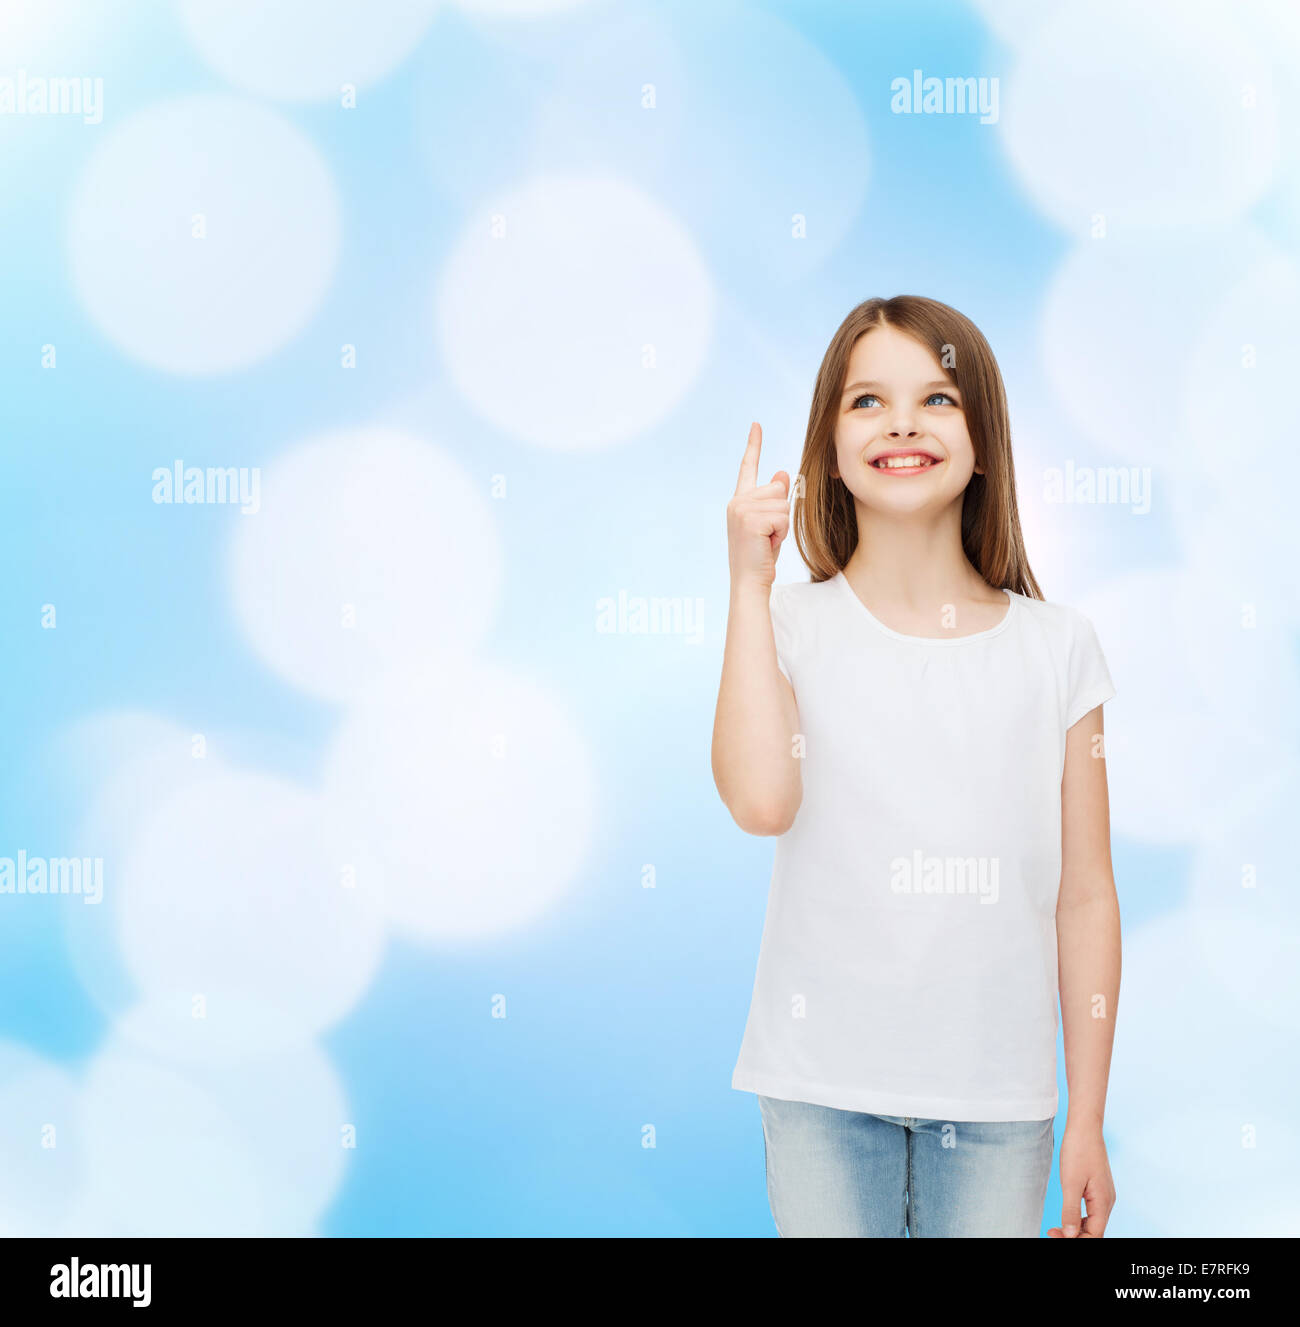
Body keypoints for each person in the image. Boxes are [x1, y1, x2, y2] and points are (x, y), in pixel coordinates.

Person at [712, 295, 1120, 1238]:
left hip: (997, 1101)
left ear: (984, 440)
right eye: (867, 401)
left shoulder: (1058, 647)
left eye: (937, 397)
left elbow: (1087, 895)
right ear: (828, 442)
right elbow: (764, 800)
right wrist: (745, 581)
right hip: (819, 1087)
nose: (901, 421)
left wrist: (1087, 1115)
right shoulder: (786, 625)